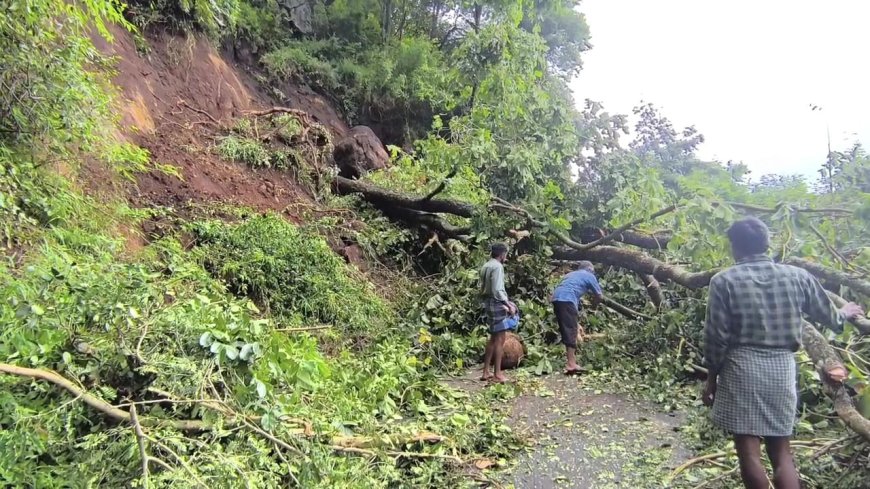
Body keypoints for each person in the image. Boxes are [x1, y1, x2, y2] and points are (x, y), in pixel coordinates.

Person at [703, 217, 864, 489]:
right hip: (782, 368)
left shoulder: (724, 281)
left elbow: (716, 338)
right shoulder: (797, 276)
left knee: (748, 449)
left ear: (736, 247)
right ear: (767, 244)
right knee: (781, 451)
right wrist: (845, 313)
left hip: (742, 367)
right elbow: (830, 317)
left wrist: (710, 379)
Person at [551, 261, 604, 375]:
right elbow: (599, 296)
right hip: (567, 299)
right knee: (572, 330)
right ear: (590, 269)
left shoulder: (571, 274)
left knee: (567, 329)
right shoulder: (589, 275)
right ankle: (571, 364)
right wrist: (594, 307)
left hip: (556, 298)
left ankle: (571, 361)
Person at [480, 243, 517, 383]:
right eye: (505, 254)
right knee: (500, 339)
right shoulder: (498, 267)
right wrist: (507, 304)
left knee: (493, 337)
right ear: (502, 254)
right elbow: (497, 289)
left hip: (488, 301)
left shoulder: (486, 266)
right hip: (496, 302)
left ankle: (486, 371)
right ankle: (497, 373)